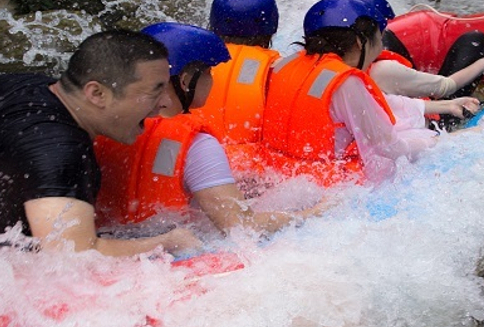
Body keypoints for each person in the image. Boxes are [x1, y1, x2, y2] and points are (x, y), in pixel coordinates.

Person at [0, 30, 200, 256]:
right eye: (154, 91)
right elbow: (73, 257)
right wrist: (167, 242)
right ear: (97, 93)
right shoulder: (61, 151)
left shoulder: (27, 86)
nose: (165, 102)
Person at [93, 22, 323, 234]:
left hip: (112, 244)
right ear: (185, 81)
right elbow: (240, 226)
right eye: (209, 73)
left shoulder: (103, 124)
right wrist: (312, 214)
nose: (212, 80)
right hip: (175, 254)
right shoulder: (197, 145)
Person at [260, 0, 437, 185]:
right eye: (379, 36)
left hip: (274, 174)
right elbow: (388, 148)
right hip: (328, 188)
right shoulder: (346, 82)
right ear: (360, 43)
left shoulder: (283, 65)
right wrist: (434, 142)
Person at [345, 0, 484, 102]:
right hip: (427, 124)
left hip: (403, 109)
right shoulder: (384, 70)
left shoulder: (329, 67)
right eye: (379, 35)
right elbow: (446, 87)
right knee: (476, 39)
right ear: (362, 42)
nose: (382, 40)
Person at [191, 0, 282, 174]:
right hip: (252, 172)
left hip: (196, 163)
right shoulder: (277, 68)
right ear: (271, 28)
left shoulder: (194, 63)